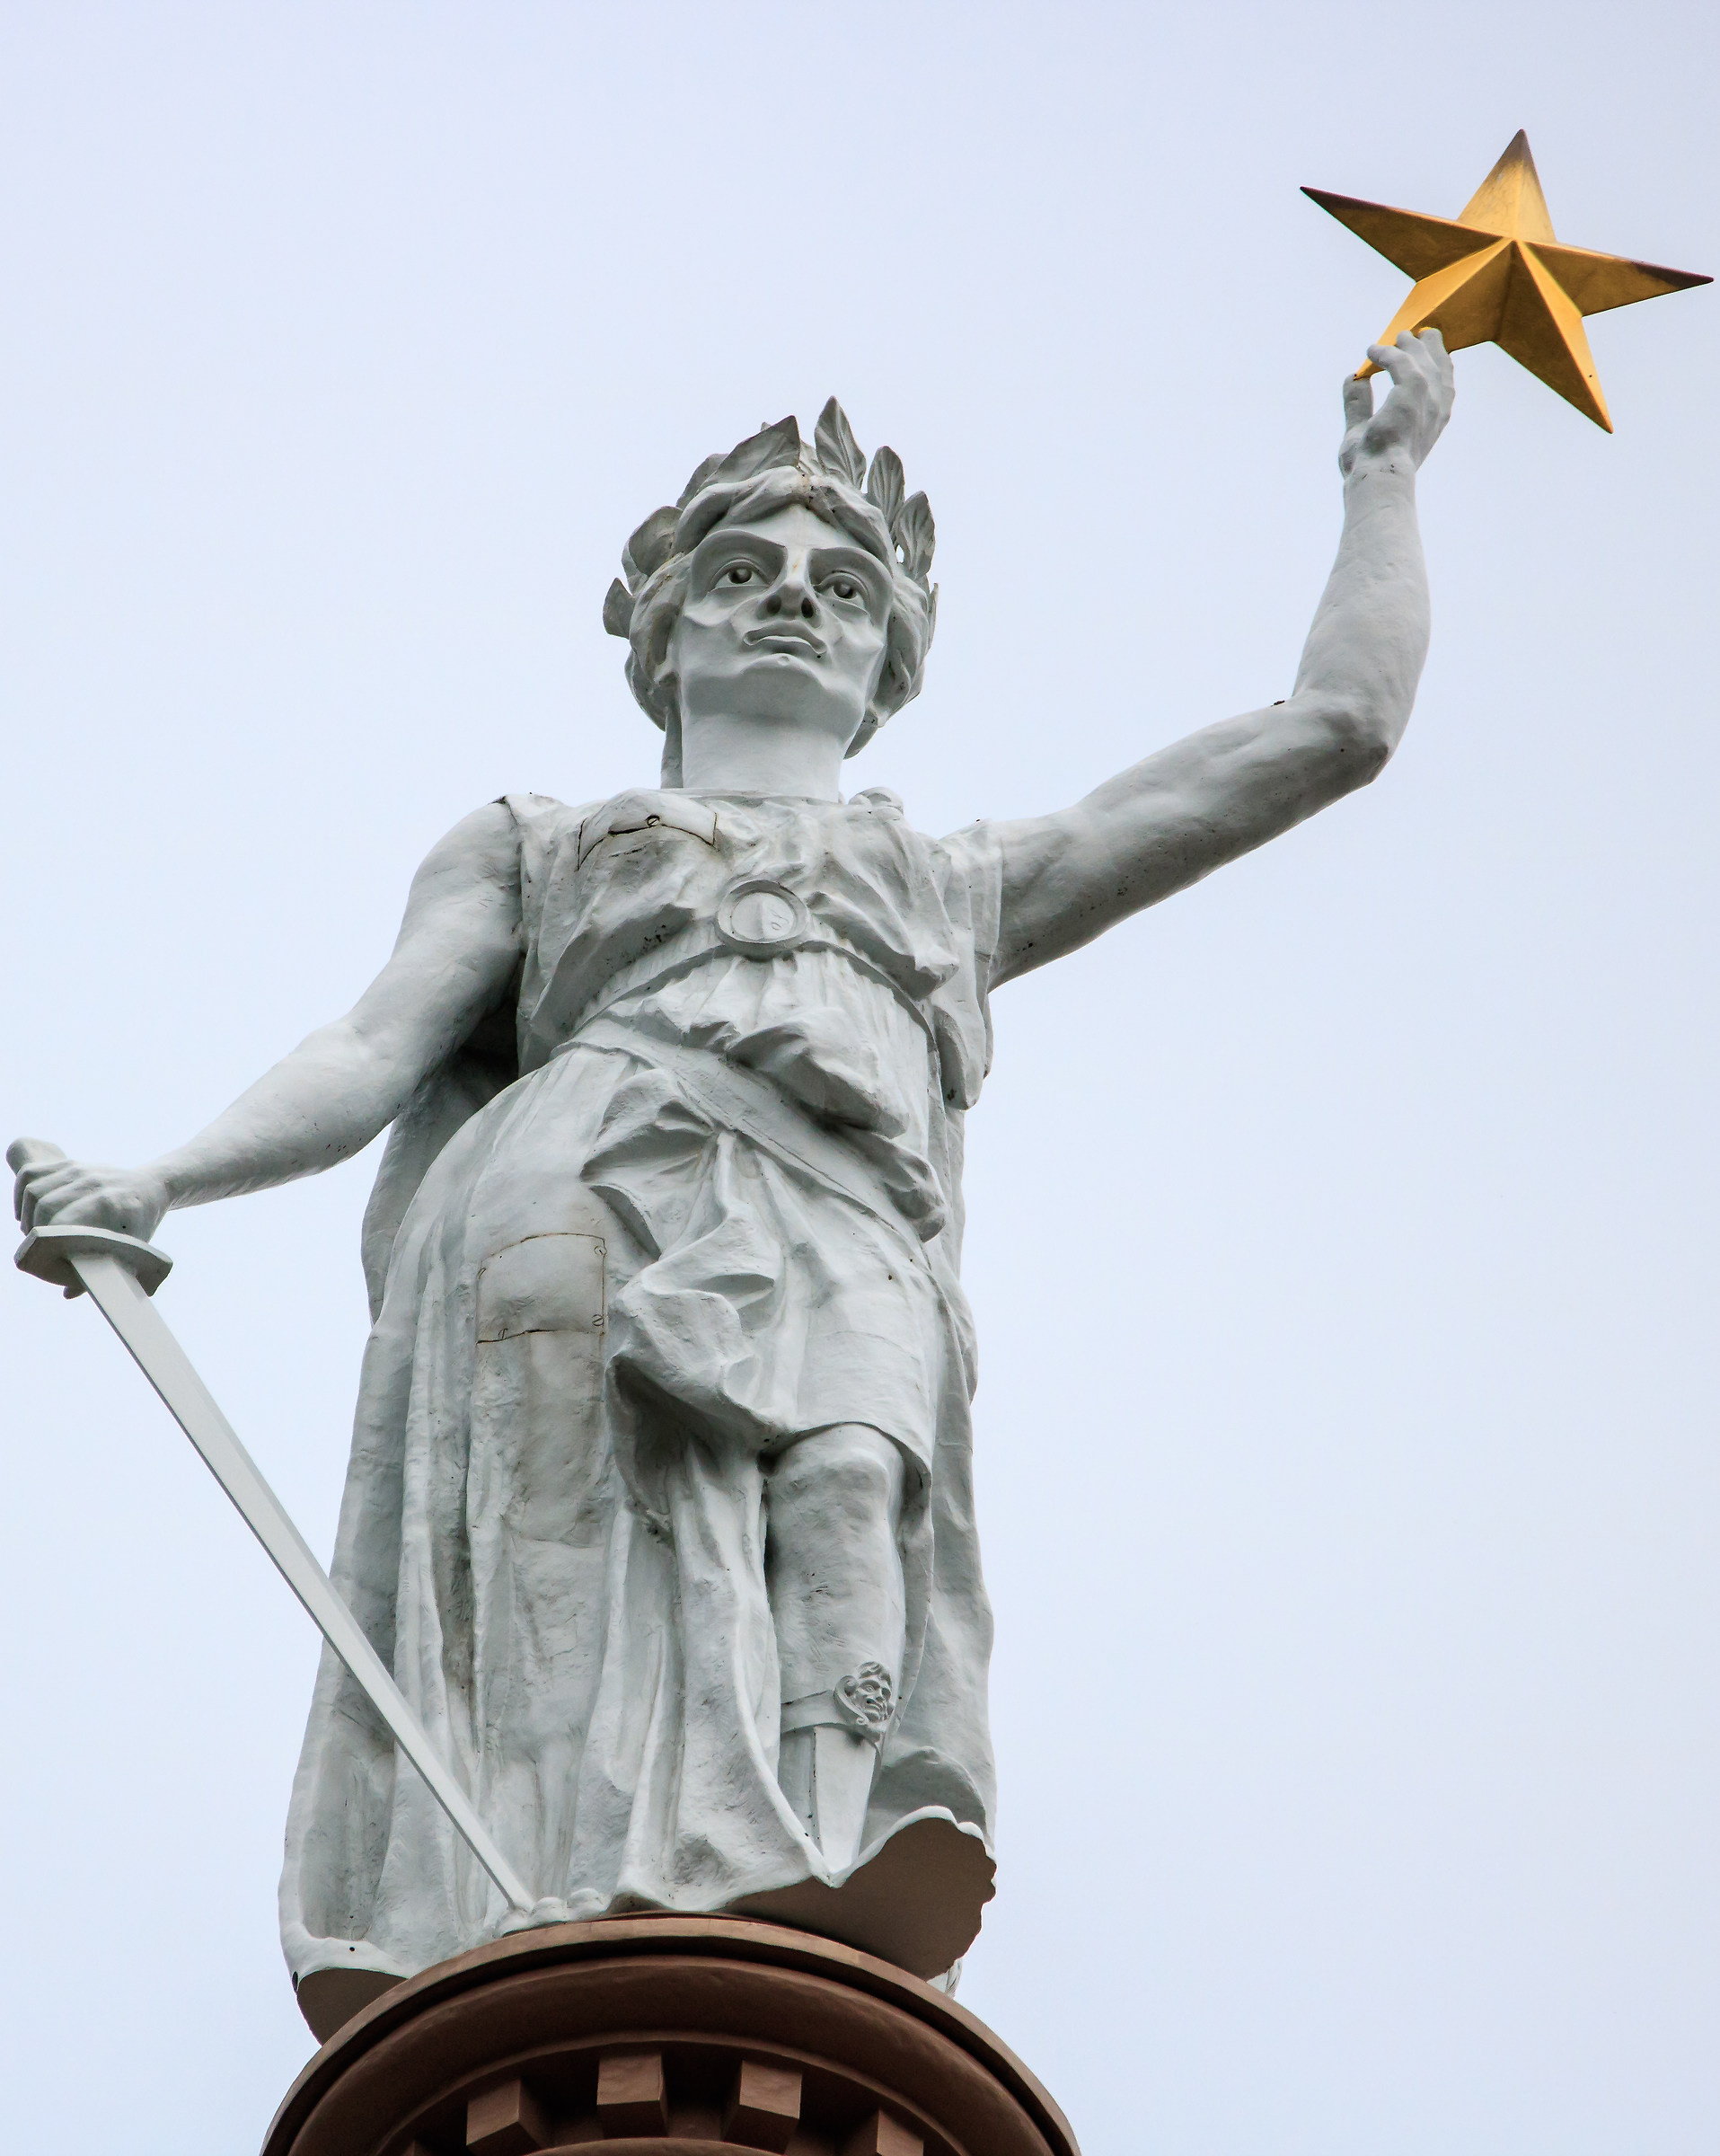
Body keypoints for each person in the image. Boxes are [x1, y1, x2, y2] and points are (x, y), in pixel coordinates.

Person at [11, 338, 1454, 2027]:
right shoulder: (537, 844)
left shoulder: (957, 880)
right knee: (562, 1556)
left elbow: (1335, 731)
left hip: (846, 1221)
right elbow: (372, 1046)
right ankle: (547, 1887)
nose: (792, 601)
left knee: (851, 1490)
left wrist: (1383, 481)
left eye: (845, 588)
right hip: (578, 1189)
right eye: (743, 572)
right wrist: (164, 1177)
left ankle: (812, 1855)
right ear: (665, 629)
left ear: (888, 660)